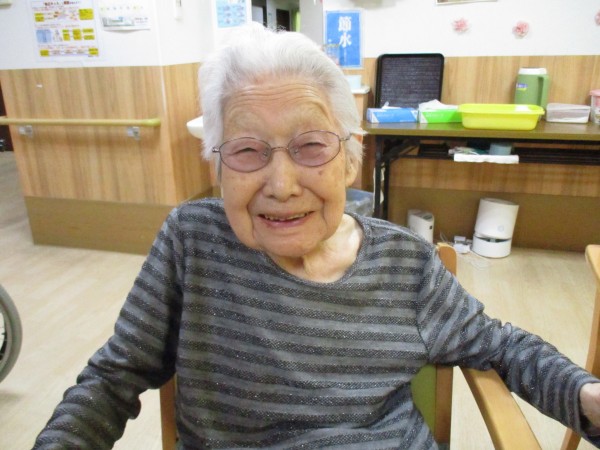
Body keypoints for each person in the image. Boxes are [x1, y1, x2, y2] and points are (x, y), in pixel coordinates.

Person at [33, 23, 600, 449]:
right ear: (218, 168)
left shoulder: (406, 264)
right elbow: (114, 377)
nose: (281, 186)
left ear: (350, 159)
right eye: (247, 150)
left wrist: (586, 397)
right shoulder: (192, 243)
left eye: (310, 146)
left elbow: (502, 348)